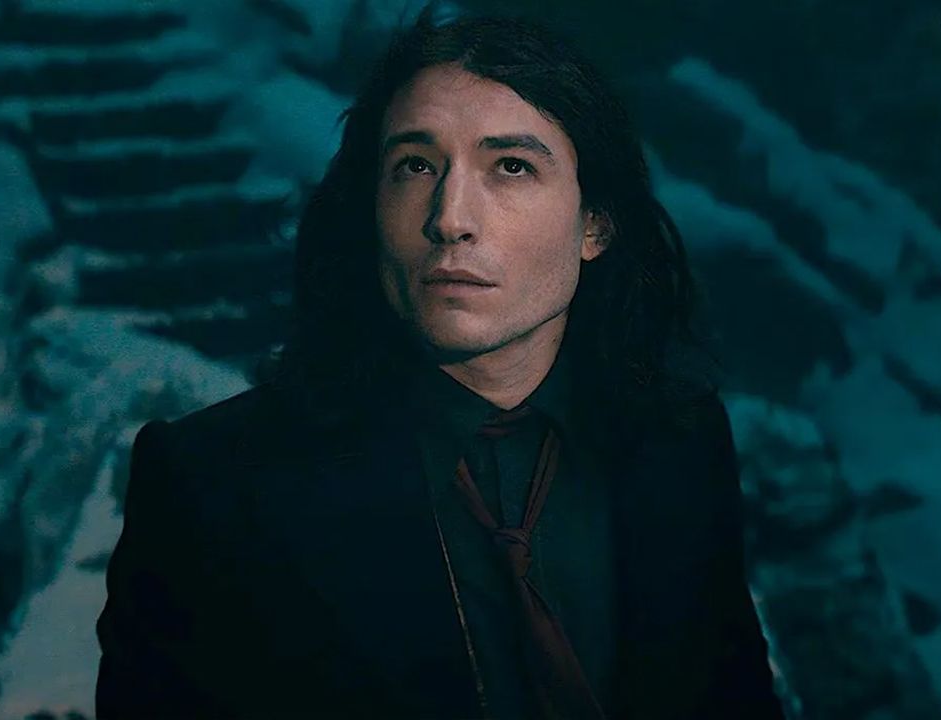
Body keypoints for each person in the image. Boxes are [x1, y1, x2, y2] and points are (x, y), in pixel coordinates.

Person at [95, 7, 784, 719]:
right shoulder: (213, 483)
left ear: (595, 224)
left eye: (511, 167)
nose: (450, 218)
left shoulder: (678, 442)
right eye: (416, 165)